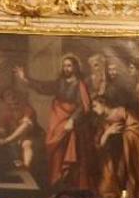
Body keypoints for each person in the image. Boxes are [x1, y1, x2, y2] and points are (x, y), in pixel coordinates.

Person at [16, 56, 94, 190]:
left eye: (69, 65)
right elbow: (44, 87)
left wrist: (72, 120)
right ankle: (55, 183)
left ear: (75, 67)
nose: (66, 68)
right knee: (54, 151)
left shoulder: (80, 84)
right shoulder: (60, 82)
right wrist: (26, 78)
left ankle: (69, 185)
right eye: (64, 65)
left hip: (71, 124)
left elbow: (84, 106)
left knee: (70, 153)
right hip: (57, 120)